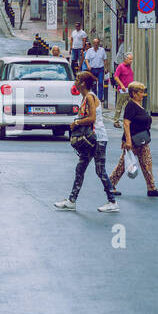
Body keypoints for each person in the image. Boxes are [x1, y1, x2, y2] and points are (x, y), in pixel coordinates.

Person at [55, 71, 118, 212]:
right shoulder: (85, 97)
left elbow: (92, 118)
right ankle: (71, 200)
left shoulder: (89, 97)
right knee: (80, 169)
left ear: (83, 83)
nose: (75, 82)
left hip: (97, 138)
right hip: (90, 139)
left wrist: (76, 123)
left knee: (100, 170)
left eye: (77, 79)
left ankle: (112, 202)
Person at [109, 82, 158, 197]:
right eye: (140, 92)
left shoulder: (139, 105)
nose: (143, 94)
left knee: (147, 164)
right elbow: (126, 123)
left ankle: (151, 188)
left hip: (142, 140)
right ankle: (110, 185)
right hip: (133, 141)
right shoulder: (131, 106)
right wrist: (128, 141)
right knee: (124, 165)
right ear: (134, 94)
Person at [112, 51, 135, 120]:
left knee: (130, 106)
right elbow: (116, 77)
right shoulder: (121, 66)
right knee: (119, 106)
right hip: (122, 90)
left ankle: (128, 120)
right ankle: (116, 121)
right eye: (130, 59)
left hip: (129, 89)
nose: (131, 61)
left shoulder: (129, 67)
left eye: (132, 59)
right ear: (125, 59)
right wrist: (122, 85)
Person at [84, 37, 108, 102]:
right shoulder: (89, 51)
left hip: (100, 69)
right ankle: (94, 96)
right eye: (94, 43)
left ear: (99, 43)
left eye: (97, 43)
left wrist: (106, 68)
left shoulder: (102, 50)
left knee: (100, 83)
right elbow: (86, 59)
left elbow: (105, 60)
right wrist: (88, 65)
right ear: (93, 43)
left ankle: (100, 98)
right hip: (92, 69)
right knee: (94, 84)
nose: (96, 44)